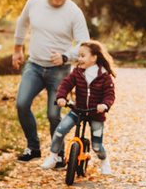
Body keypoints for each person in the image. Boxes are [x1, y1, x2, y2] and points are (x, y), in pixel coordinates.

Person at [12, 0, 90, 164]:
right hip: (34, 65)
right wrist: (17, 50)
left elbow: (84, 43)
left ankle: (59, 153)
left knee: (54, 114)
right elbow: (22, 24)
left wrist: (66, 57)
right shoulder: (34, 3)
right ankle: (33, 147)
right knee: (21, 104)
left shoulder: (74, 12)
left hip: (60, 70)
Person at [40, 41, 115, 175]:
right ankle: (53, 156)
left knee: (97, 146)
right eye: (79, 56)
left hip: (95, 113)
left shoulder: (104, 76)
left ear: (94, 57)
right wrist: (61, 97)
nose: (79, 59)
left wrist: (104, 105)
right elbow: (66, 84)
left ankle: (104, 161)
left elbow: (109, 94)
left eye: (82, 55)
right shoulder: (77, 72)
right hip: (78, 110)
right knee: (59, 131)